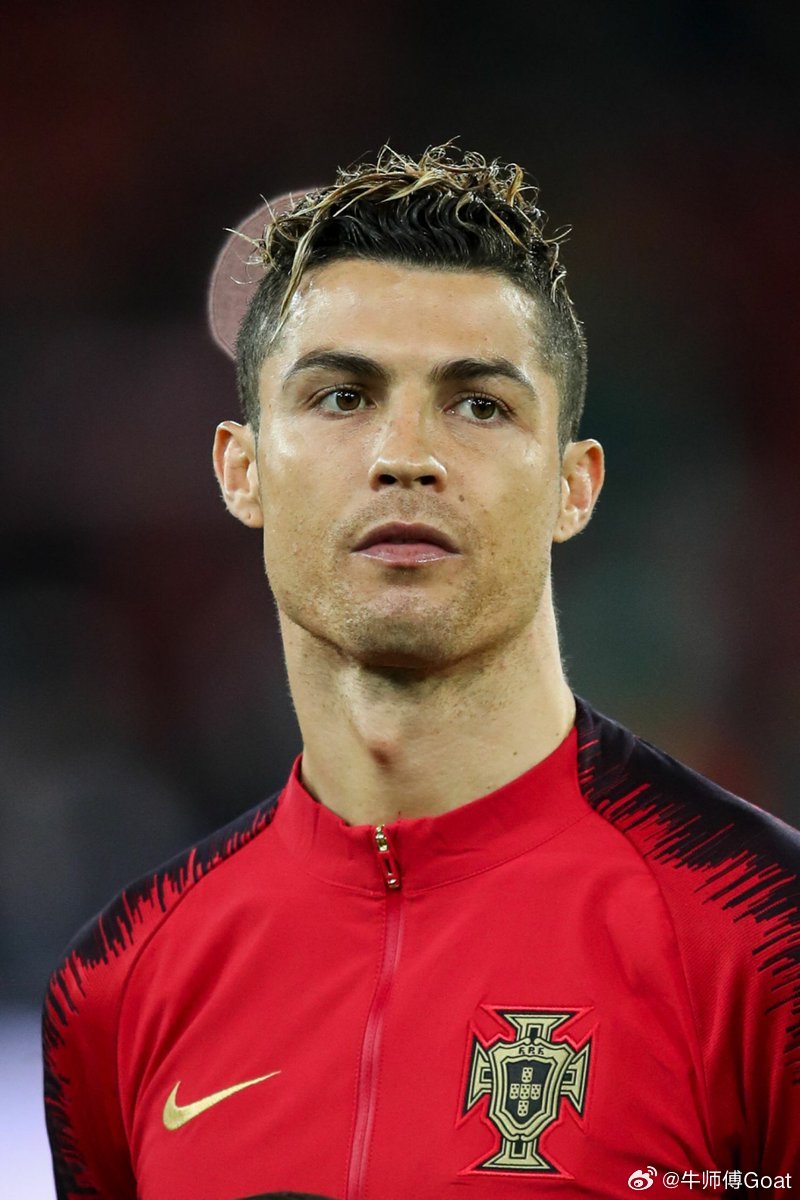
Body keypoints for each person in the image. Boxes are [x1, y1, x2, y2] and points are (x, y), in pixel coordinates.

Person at [43, 144, 800, 1200]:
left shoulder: (763, 941)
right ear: (240, 470)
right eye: (341, 397)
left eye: (478, 404)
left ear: (575, 486)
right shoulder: (119, 987)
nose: (406, 455)